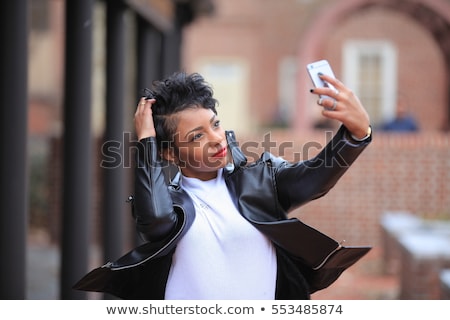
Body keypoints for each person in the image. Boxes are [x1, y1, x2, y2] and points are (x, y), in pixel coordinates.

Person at [73, 71, 372, 299]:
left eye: (214, 124)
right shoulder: (171, 204)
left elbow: (313, 181)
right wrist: (147, 143)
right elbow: (156, 220)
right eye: (196, 136)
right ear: (168, 153)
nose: (216, 138)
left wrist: (355, 135)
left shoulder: (260, 180)